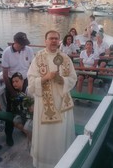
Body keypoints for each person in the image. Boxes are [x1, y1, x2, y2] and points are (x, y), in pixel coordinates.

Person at [27, 30, 77, 168]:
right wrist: (45, 78)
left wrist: (62, 80)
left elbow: (73, 78)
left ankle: (62, 161)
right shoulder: (38, 58)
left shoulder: (65, 58)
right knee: (45, 135)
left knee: (61, 133)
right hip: (44, 104)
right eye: (51, 38)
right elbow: (30, 82)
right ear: (45, 41)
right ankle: (43, 163)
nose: (54, 41)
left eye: (56, 38)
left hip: (62, 103)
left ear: (59, 41)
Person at [2, 32, 34, 146]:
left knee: (26, 109)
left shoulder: (28, 50)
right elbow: (5, 75)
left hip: (25, 82)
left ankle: (25, 129)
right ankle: (8, 135)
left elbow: (32, 67)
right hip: (12, 83)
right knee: (10, 111)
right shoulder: (6, 53)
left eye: (25, 43)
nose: (24, 46)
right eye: (22, 44)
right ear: (15, 42)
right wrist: (12, 92)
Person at [10, 72, 34, 142]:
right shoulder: (18, 93)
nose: (14, 84)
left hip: (32, 114)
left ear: (22, 80)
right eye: (13, 82)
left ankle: (33, 140)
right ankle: (28, 134)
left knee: (27, 128)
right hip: (24, 113)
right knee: (15, 121)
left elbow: (33, 107)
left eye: (17, 81)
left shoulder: (28, 90)